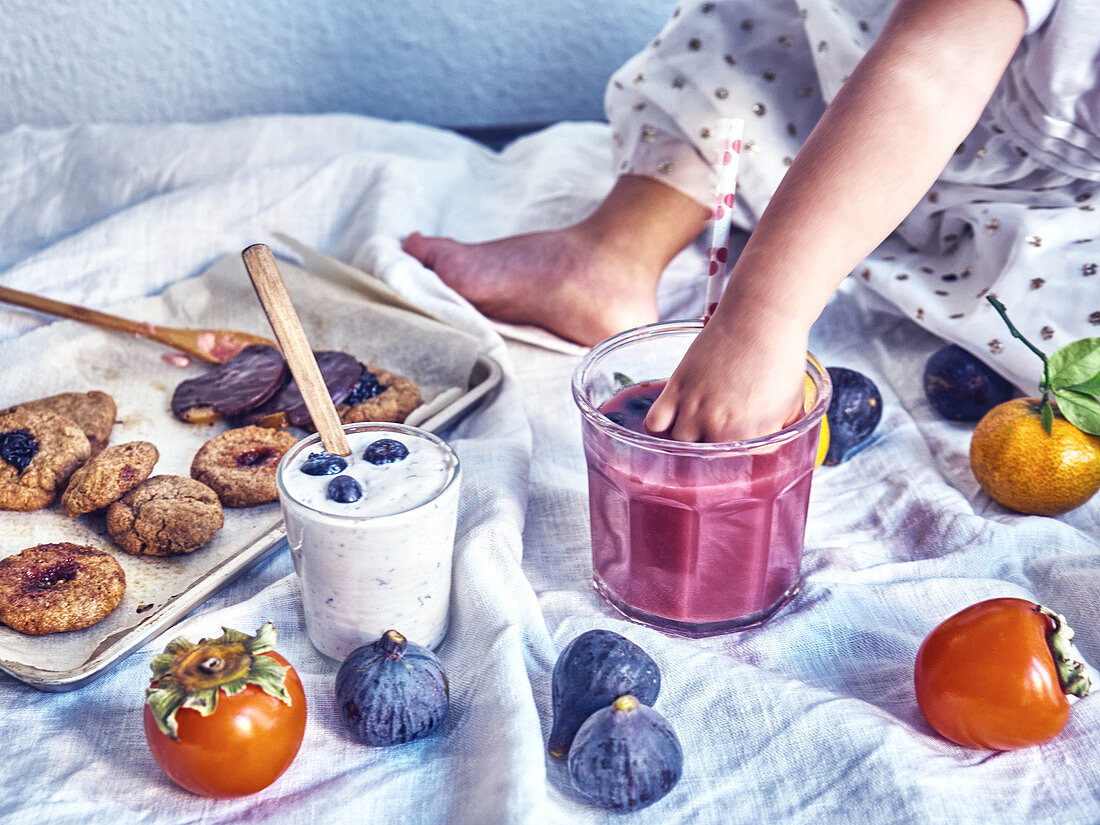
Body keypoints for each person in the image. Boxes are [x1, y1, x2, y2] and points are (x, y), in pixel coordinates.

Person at [404, 0, 1100, 442]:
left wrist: (760, 315)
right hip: (849, 84)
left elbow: (931, 71)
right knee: (754, 25)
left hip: (1049, 196)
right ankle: (615, 250)